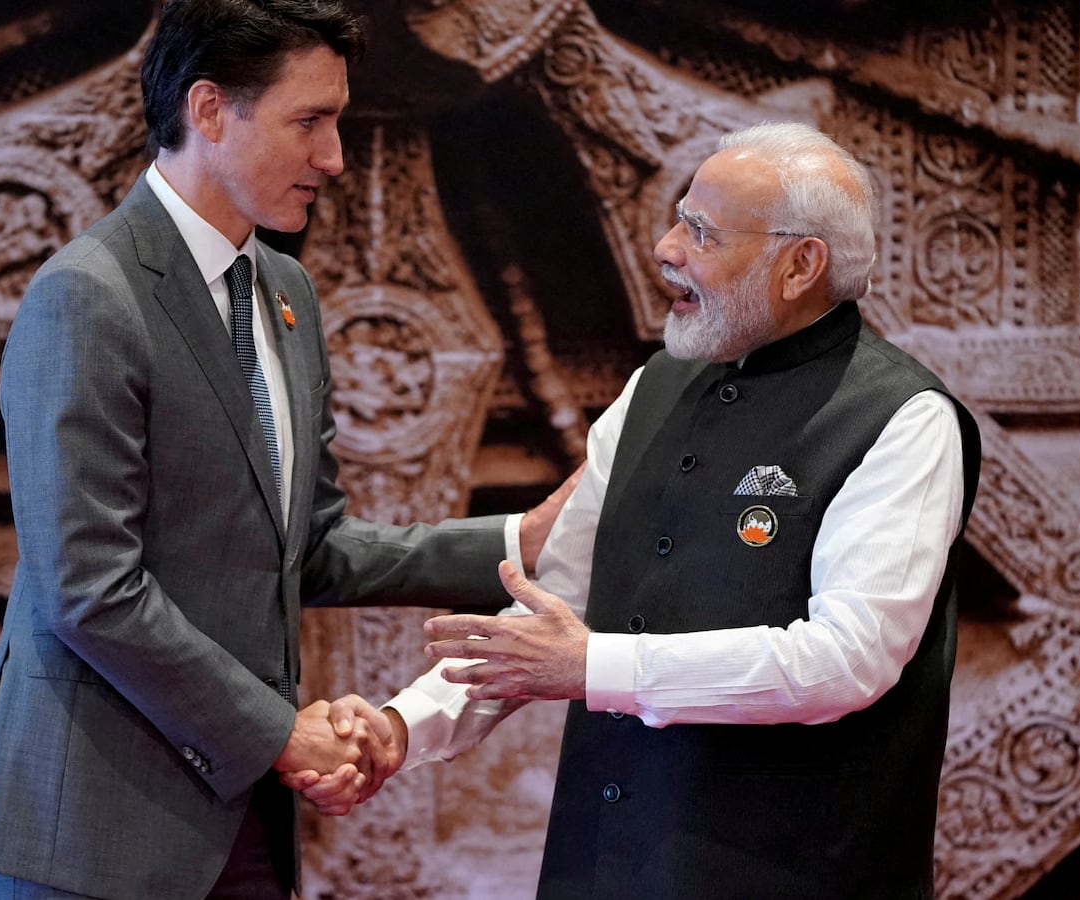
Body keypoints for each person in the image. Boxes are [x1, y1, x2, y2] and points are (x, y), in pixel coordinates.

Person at [0, 2, 567, 897]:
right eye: (308, 121)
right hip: (95, 834)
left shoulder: (286, 291)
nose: (334, 157)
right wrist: (280, 733)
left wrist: (516, 544)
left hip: (245, 823)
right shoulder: (87, 295)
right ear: (207, 110)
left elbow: (307, 543)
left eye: (336, 121)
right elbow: (88, 587)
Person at [299, 121, 984, 899]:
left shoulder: (903, 419)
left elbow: (846, 659)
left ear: (801, 265)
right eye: (677, 217)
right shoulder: (651, 387)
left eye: (702, 232)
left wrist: (594, 667)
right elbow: (550, 615)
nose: (665, 248)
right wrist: (399, 730)